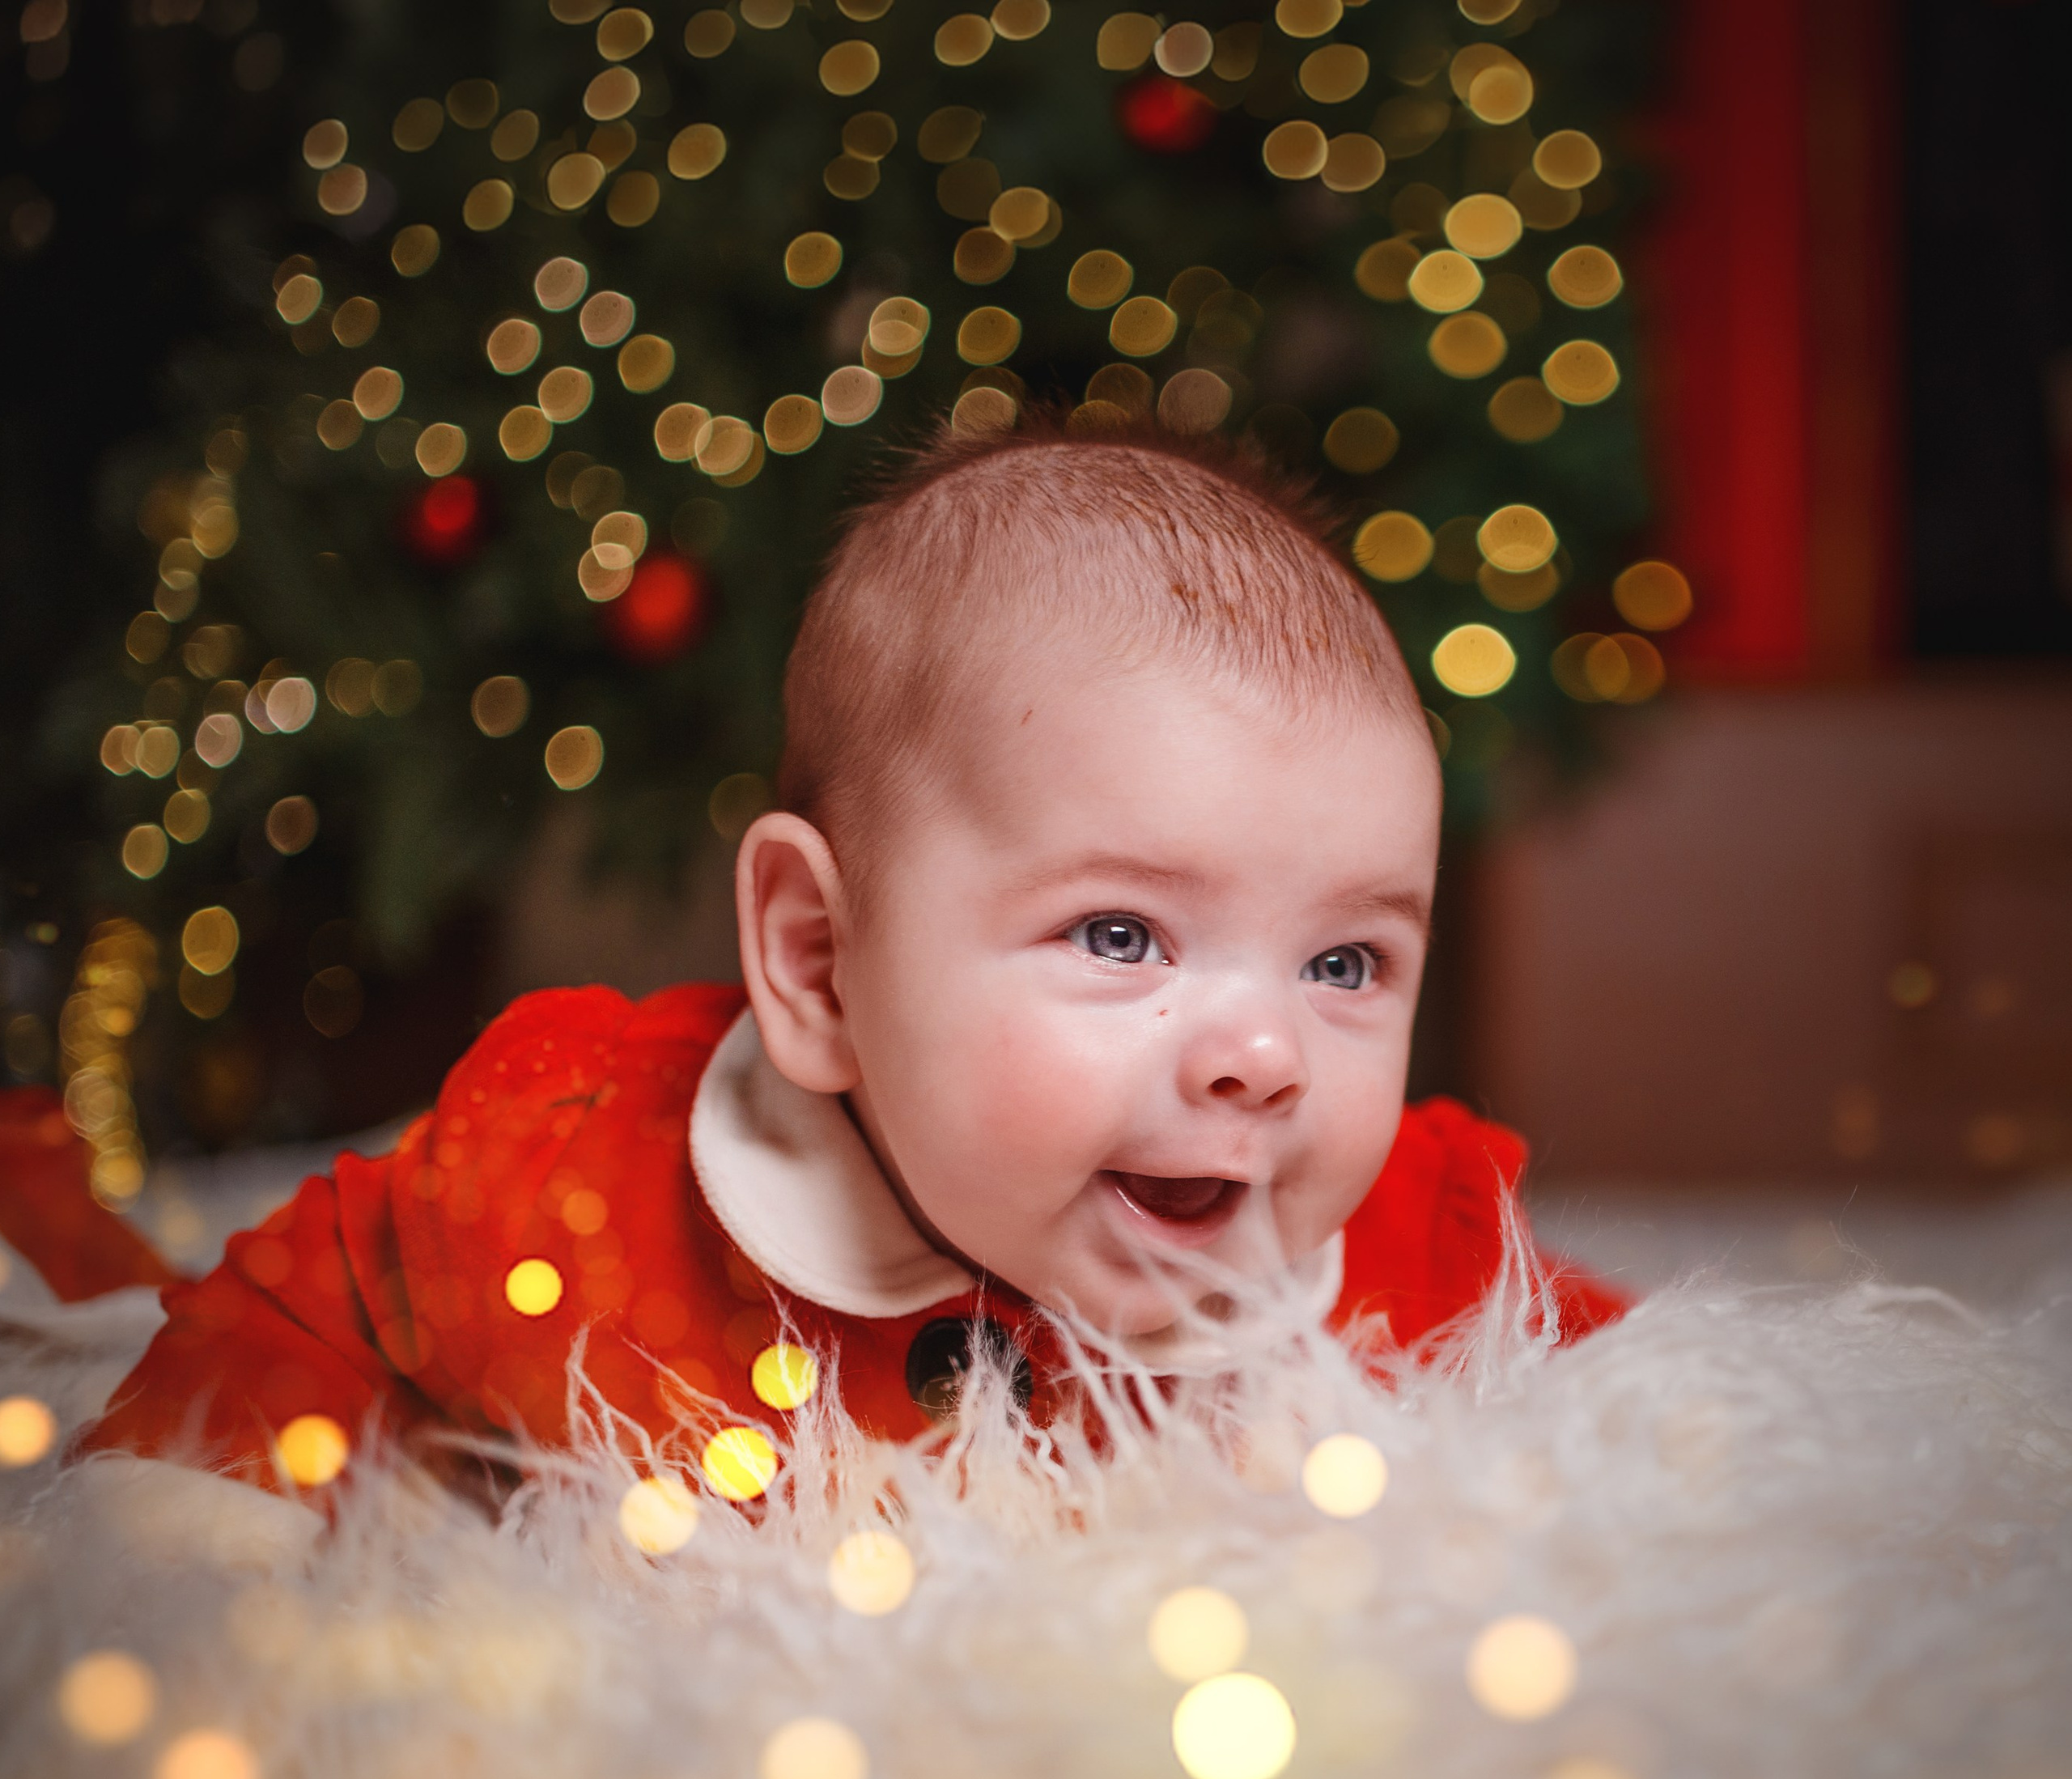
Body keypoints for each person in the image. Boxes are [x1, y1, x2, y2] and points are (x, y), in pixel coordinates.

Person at [56, 414, 1624, 1509]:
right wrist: (203, 1523)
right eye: (1119, 934)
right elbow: (328, 1287)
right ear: (812, 962)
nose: (1263, 1055)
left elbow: (1625, 1394)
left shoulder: (1408, 1248)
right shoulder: (580, 1198)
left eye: (1344, 963)